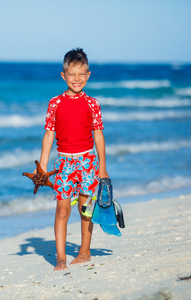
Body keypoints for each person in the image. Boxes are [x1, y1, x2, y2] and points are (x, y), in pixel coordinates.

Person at [37, 48, 109, 271]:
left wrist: (103, 168)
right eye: (72, 74)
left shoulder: (92, 104)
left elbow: (98, 135)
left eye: (81, 74)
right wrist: (43, 165)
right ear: (63, 76)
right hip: (64, 164)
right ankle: (60, 257)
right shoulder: (55, 104)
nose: (76, 79)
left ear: (88, 75)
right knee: (62, 210)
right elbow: (49, 134)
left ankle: (85, 251)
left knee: (85, 209)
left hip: (88, 162)